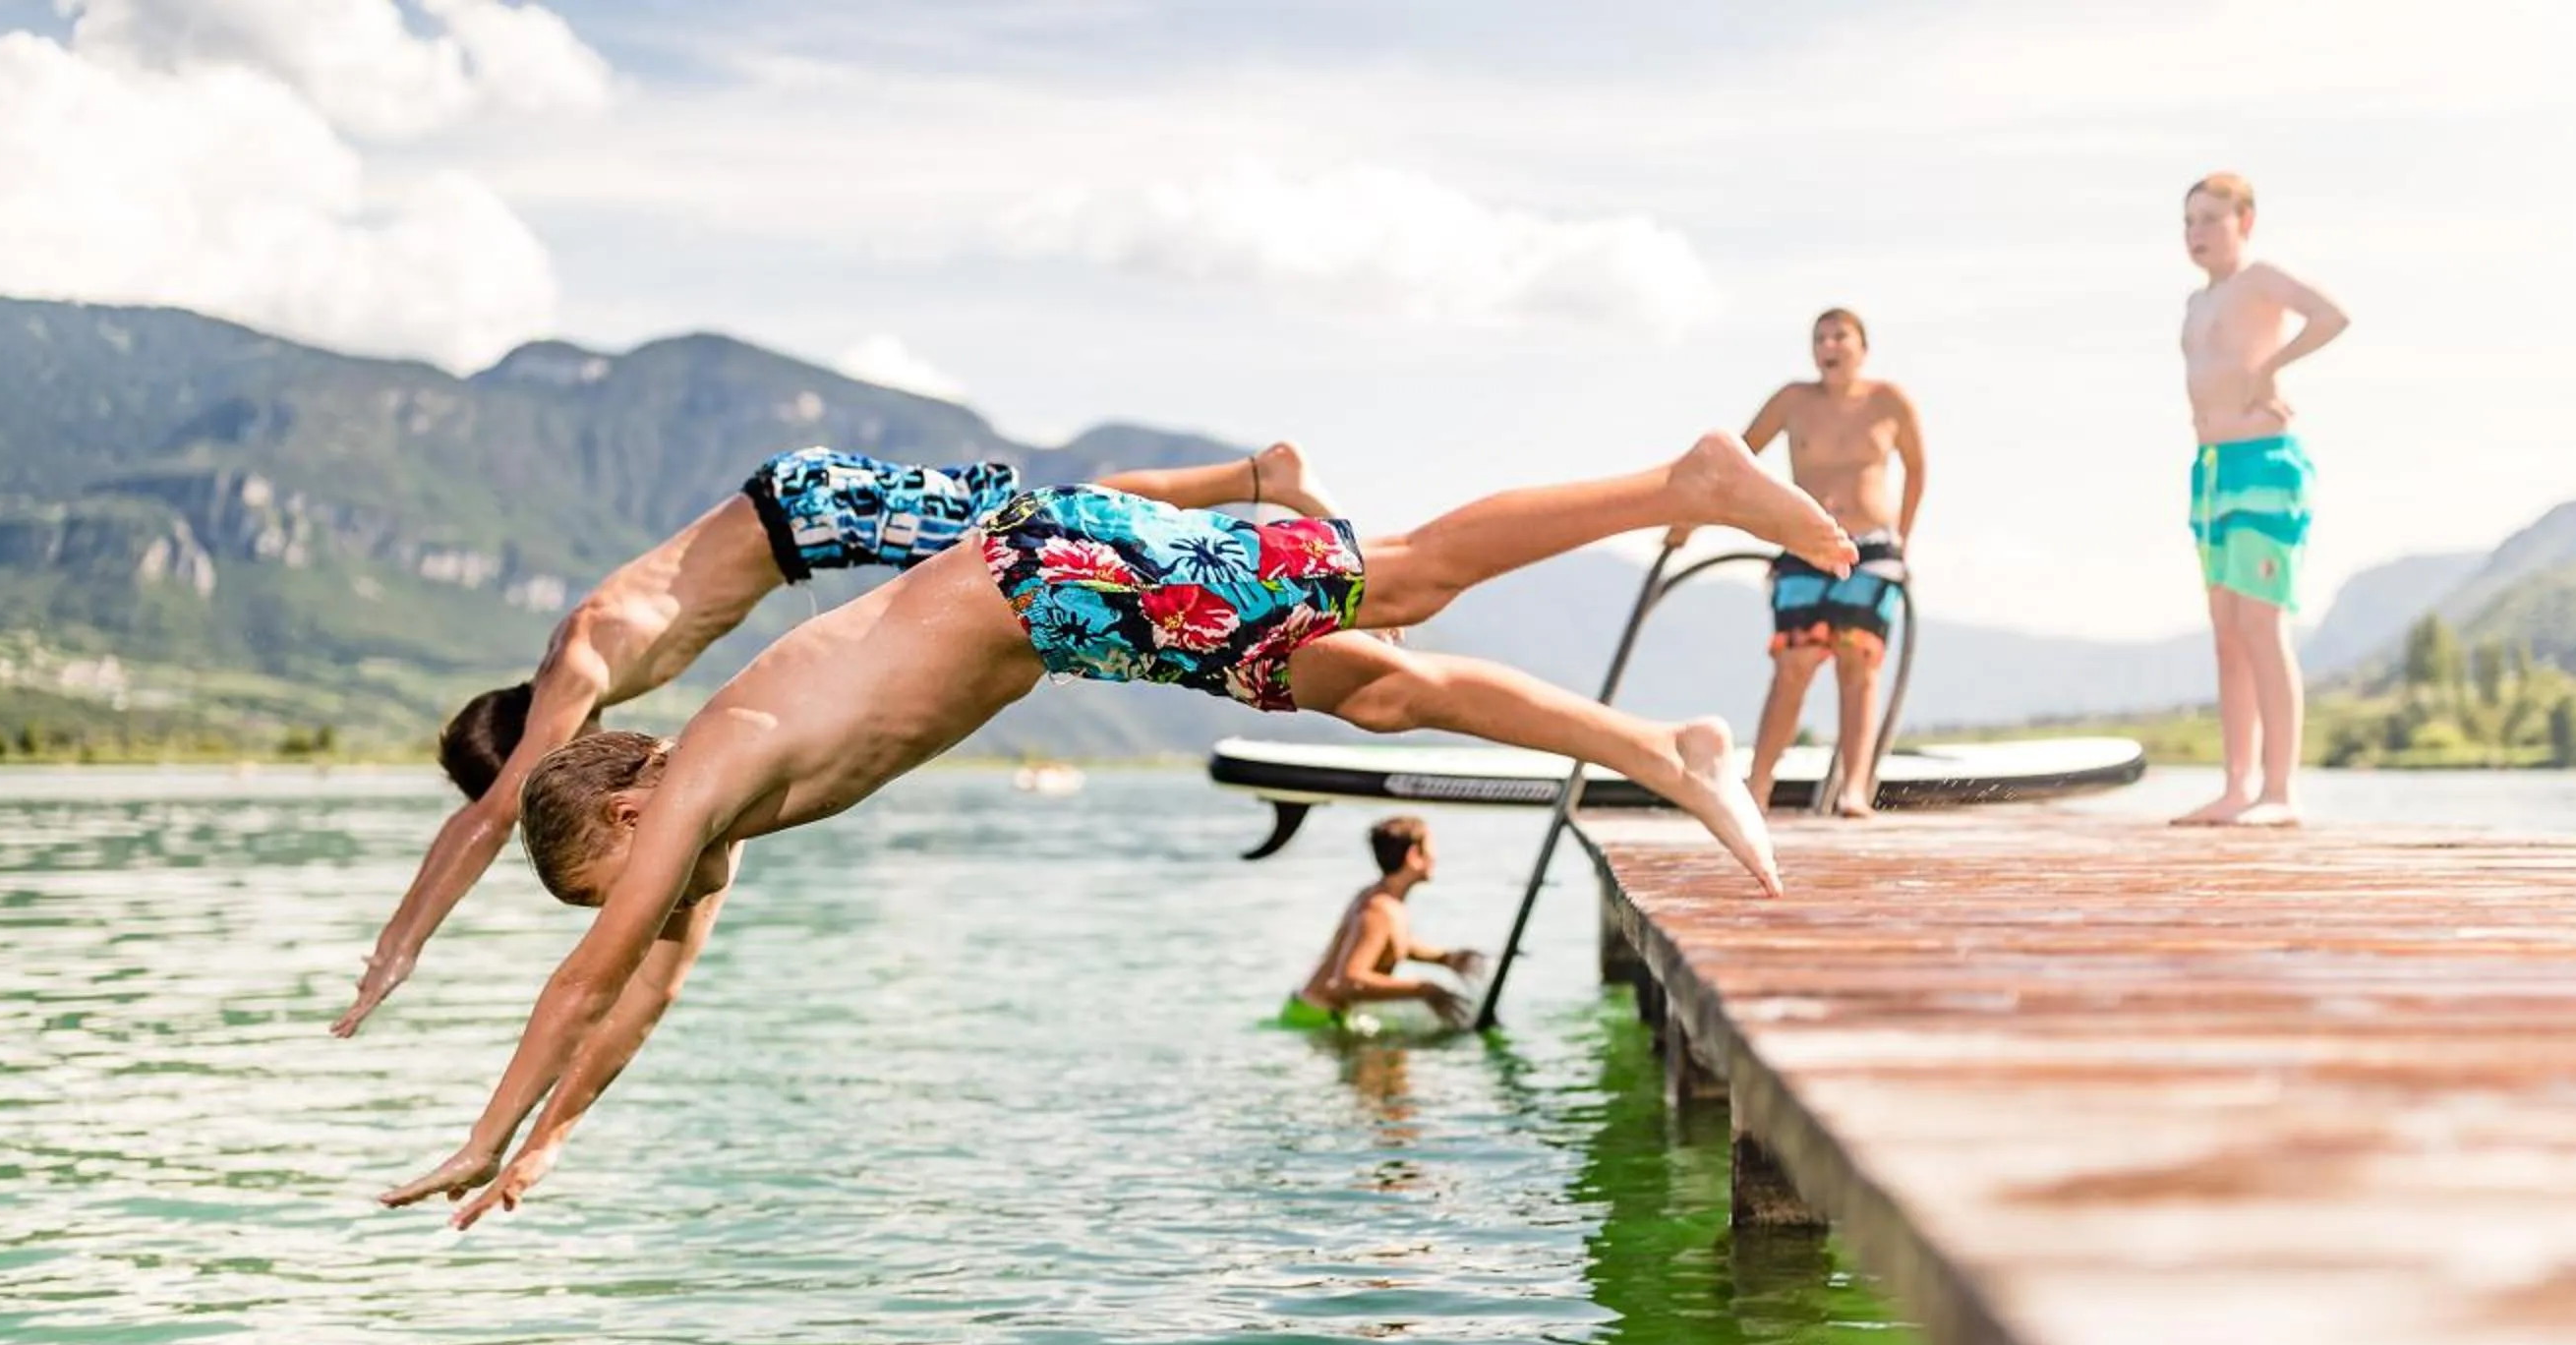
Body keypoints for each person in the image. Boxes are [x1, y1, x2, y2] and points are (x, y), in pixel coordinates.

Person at [379, 432, 1857, 1226]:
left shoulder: (701, 777)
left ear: (632, 804)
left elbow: (583, 981)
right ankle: (1663, 748)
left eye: (612, 874)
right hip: (1074, 613)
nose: (632, 899)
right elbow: (638, 993)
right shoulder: (705, 835)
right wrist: (553, 1140)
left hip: (1053, 577)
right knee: (1384, 699)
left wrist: (475, 1135)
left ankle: (1688, 482)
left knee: (1394, 586)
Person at [329, 440, 1335, 1033]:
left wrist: (397, 945)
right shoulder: (584, 680)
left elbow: (496, 817)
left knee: (1060, 522)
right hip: (801, 523)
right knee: (1060, 525)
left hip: (806, 514)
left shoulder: (577, 662)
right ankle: (1253, 490)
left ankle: (1259, 476)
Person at [1678, 307, 1925, 816]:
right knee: (1793, 663)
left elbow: (1918, 470)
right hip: (1805, 545)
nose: (1829, 346)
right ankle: (1758, 788)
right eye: (1820, 338)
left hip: (1873, 547)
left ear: (1862, 347)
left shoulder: (1889, 401)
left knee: (1858, 663)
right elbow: (1734, 462)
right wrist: (1688, 521)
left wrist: (1903, 539)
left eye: (1840, 336)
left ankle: (1855, 789)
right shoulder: (1793, 399)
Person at [2177, 171, 2350, 827]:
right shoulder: (2196, 304)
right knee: (2226, 633)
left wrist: (2273, 367)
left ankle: (2281, 793)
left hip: (2265, 466)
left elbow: (2334, 315)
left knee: (2260, 624)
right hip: (2212, 471)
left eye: (2211, 220)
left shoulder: (2261, 279)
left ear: (2244, 223)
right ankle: (2236, 786)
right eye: (2189, 221)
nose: (2197, 233)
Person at [1283, 816, 1485, 1032]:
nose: (1435, 856)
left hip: (1311, 1012)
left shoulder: (1380, 897)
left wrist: (1445, 958)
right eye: (1430, 848)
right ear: (1413, 856)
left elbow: (1389, 943)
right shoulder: (1378, 911)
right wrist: (1424, 990)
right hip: (1320, 1020)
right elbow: (1349, 980)